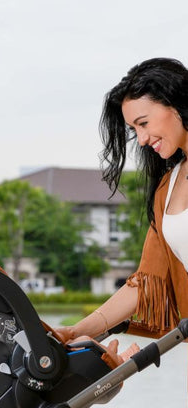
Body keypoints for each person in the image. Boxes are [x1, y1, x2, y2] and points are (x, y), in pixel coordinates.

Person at [57, 57, 188, 350]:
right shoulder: (166, 189)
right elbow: (146, 283)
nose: (140, 140)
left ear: (177, 103)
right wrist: (78, 330)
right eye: (134, 130)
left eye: (143, 123)